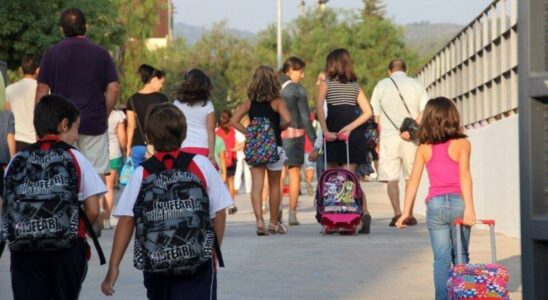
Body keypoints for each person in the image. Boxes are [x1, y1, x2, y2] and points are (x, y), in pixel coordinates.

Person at [101, 103, 232, 300]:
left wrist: (113, 267)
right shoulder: (200, 164)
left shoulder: (142, 172)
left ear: (149, 138)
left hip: (156, 264)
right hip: (197, 263)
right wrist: (212, 250)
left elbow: (127, 221)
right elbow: (220, 212)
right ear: (184, 133)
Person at [2, 94, 105, 300]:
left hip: (25, 252)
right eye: (76, 128)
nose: (77, 136)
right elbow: (93, 210)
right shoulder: (75, 157)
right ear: (64, 124)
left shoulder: (18, 160)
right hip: (65, 253)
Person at [395, 97, 476, 300]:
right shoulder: (462, 144)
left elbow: (412, 181)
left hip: (436, 205)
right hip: (459, 203)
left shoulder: (424, 148)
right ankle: (461, 296)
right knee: (461, 255)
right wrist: (470, 209)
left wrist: (406, 212)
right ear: (453, 118)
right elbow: (465, 176)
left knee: (441, 258)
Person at [36, 8, 120, 176]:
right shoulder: (101, 53)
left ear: (61, 29)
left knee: (63, 174)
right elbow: (114, 87)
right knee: (95, 177)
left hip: (61, 125)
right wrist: (104, 113)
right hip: (94, 122)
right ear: (86, 27)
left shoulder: (51, 54)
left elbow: (42, 90)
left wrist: (41, 124)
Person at [316, 48, 372, 234]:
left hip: (333, 131)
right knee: (350, 178)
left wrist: (325, 131)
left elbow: (319, 109)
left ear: (332, 64)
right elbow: (368, 112)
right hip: (352, 135)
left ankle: (334, 219)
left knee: (332, 177)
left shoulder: (326, 84)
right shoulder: (355, 86)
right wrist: (350, 127)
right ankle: (360, 215)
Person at [231, 66, 291, 236]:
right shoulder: (278, 101)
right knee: (274, 185)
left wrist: (249, 133)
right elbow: (289, 119)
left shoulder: (250, 102)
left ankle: (259, 221)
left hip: (255, 147)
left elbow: (234, 121)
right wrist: (278, 128)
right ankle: (273, 223)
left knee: (257, 185)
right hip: (275, 147)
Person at [370, 59, 429, 227]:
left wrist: (377, 137)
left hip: (389, 137)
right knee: (411, 176)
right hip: (411, 138)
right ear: (406, 69)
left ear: (389, 71)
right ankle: (408, 213)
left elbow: (375, 116)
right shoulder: (416, 84)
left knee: (391, 177)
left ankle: (396, 213)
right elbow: (426, 109)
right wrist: (412, 128)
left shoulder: (381, 85)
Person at [279, 57, 316, 225]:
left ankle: (276, 212)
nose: (303, 75)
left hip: (276, 136)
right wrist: (315, 141)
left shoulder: (272, 86)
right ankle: (292, 214)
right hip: (295, 137)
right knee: (294, 175)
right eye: (300, 72)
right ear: (290, 70)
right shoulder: (297, 90)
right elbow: (305, 118)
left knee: (278, 175)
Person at [126, 64, 168, 167]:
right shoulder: (162, 99)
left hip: (137, 146)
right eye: (161, 83)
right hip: (156, 145)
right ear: (154, 79)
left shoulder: (132, 99)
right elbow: (166, 123)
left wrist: (128, 147)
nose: (162, 87)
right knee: (154, 178)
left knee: (138, 178)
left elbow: (131, 126)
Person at [174, 68, 216, 164]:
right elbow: (211, 131)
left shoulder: (176, 104)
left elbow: (175, 128)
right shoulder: (208, 105)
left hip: (183, 148)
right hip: (203, 148)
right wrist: (212, 153)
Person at [6, 54, 40, 151]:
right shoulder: (44, 91)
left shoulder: (9, 89)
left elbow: (8, 119)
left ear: (22, 69)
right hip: (35, 142)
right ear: (38, 70)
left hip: (15, 142)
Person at [104, 108, 127, 229]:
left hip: (98, 153)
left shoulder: (94, 112)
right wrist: (125, 150)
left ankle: (98, 219)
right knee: (109, 187)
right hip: (114, 153)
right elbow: (122, 137)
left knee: (97, 187)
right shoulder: (117, 115)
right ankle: (107, 220)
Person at [216, 110, 238, 214]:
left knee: (221, 183)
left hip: (221, 160)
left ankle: (222, 204)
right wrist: (233, 149)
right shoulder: (233, 131)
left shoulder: (217, 132)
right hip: (232, 158)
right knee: (231, 182)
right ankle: (231, 204)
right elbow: (241, 142)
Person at [233, 116, 252, 194]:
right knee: (239, 170)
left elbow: (242, 143)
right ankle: (237, 187)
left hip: (244, 152)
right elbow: (239, 143)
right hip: (241, 153)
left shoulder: (240, 131)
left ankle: (247, 188)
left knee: (246, 171)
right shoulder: (239, 131)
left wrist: (236, 148)